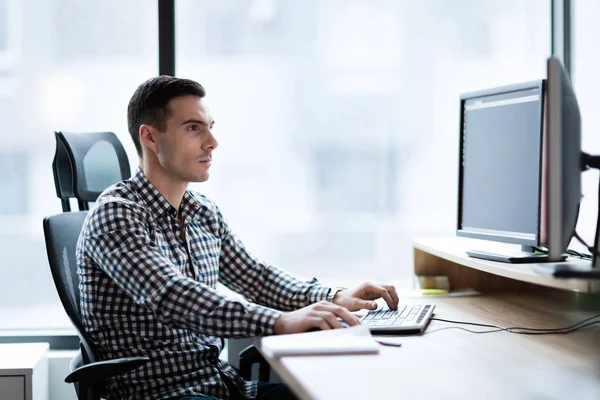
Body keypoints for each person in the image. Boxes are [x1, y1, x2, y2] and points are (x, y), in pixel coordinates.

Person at [76, 76, 399, 400]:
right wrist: (280, 322)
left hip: (222, 386)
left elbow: (255, 277)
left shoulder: (202, 212)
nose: (212, 142)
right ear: (150, 137)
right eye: (193, 128)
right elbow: (171, 295)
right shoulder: (116, 215)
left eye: (210, 126)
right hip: (162, 395)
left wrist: (333, 296)